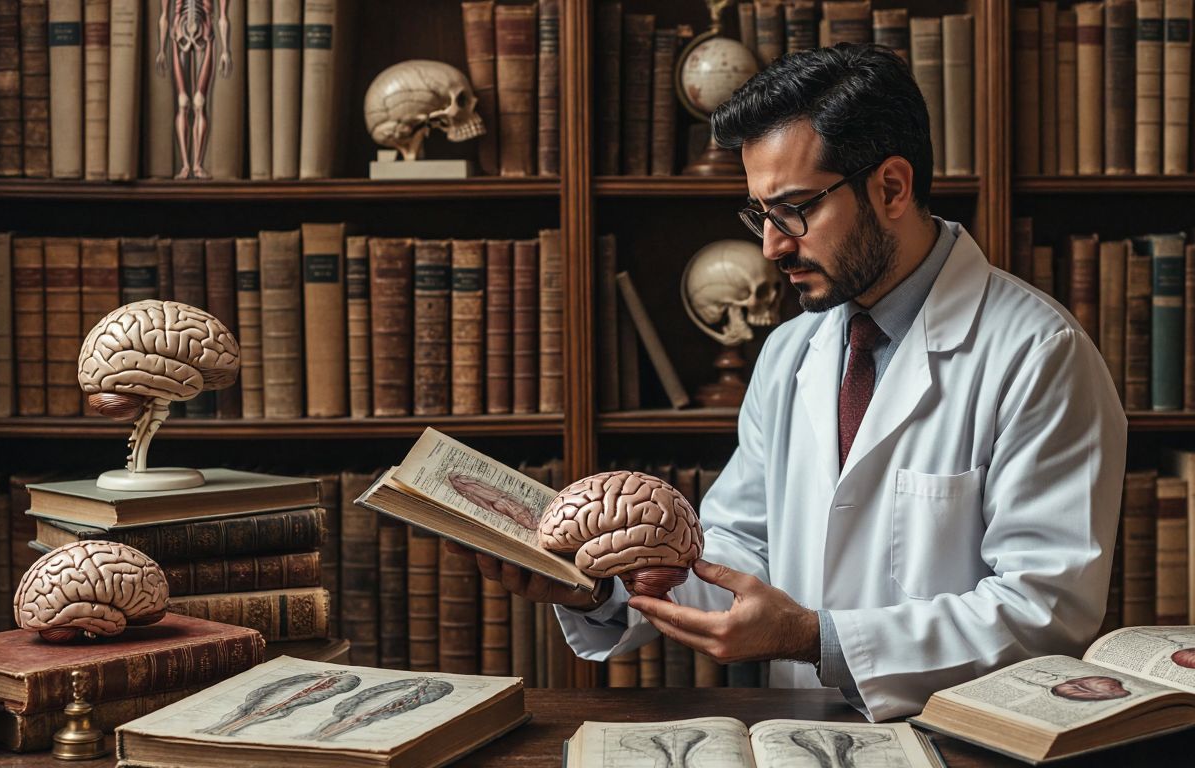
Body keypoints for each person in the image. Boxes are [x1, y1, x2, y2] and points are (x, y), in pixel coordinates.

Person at [467, 43, 1127, 722]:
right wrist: (595, 591)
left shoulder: (1040, 354)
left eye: (793, 210)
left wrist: (815, 638)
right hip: (799, 740)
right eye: (759, 214)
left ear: (892, 187)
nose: (772, 247)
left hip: (959, 745)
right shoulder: (791, 351)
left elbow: (1045, 611)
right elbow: (734, 550)